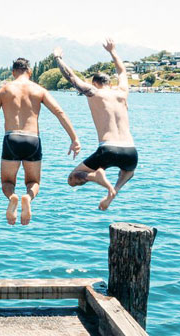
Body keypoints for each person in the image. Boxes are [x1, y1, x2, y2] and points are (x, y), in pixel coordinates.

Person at [0, 57, 81, 225]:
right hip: (33, 139)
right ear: (30, 72)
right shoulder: (39, 90)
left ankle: (13, 197)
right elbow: (59, 112)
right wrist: (74, 138)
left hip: (11, 139)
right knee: (33, 182)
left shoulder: (4, 91)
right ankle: (28, 197)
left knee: (7, 182)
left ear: (13, 72)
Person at [54, 39, 138, 210]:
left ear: (95, 84)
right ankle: (113, 190)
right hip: (130, 151)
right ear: (110, 83)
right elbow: (122, 71)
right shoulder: (122, 92)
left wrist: (58, 59)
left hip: (108, 149)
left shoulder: (95, 93)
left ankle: (96, 178)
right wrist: (113, 51)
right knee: (129, 171)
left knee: (73, 178)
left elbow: (72, 79)